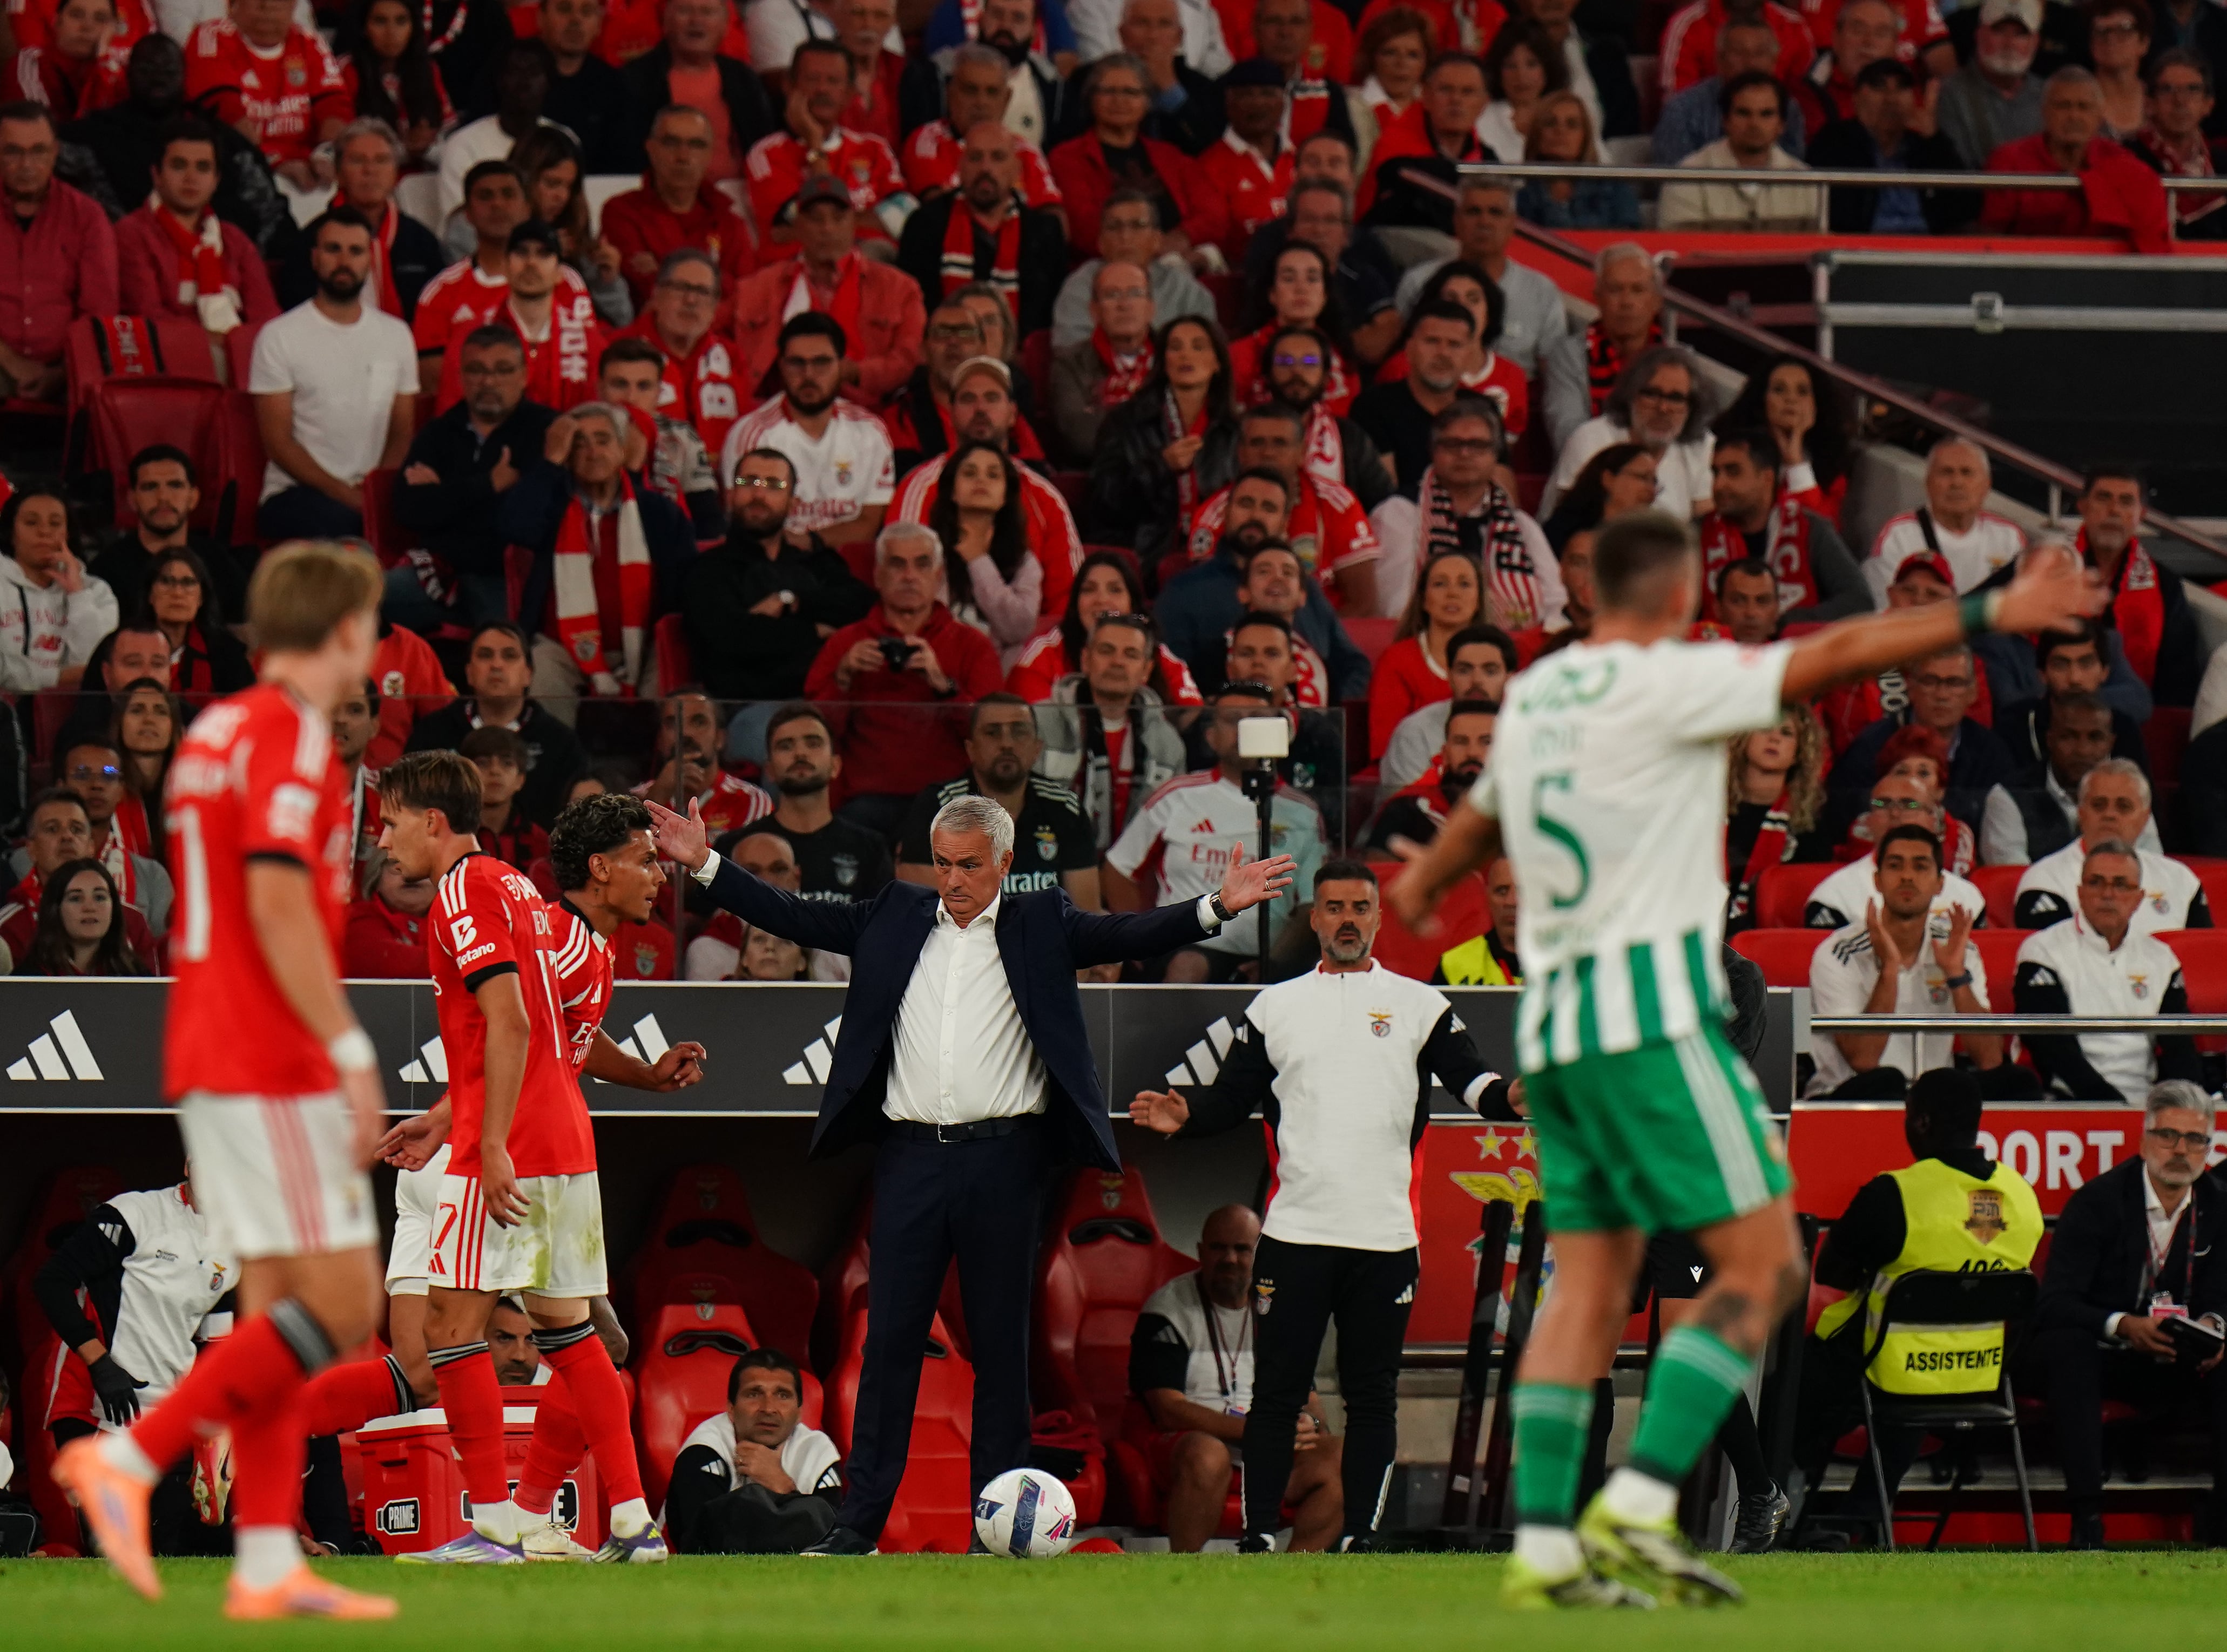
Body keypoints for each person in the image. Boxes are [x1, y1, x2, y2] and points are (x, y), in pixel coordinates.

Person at [1384, 507, 2097, 1608]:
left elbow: (1493, 809)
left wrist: (1429, 882)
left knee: (1588, 1284)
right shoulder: (1669, 680)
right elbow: (1841, 651)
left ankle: (1547, 1541)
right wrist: (1995, 607)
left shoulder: (1546, 694)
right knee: (1765, 1268)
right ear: (1671, 597)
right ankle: (1634, 1514)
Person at [646, 788, 1294, 1557]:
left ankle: (1001, 1525)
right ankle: (858, 1527)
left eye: (970, 867)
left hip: (1004, 1160)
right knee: (887, 1345)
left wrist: (1219, 904)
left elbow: (1134, 926)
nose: (953, 881)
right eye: (944, 865)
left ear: (1006, 864)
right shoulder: (893, 914)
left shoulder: (1042, 923)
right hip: (911, 1158)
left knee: (999, 1349)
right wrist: (706, 863)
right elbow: (797, 916)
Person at [54, 543, 395, 1619]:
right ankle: (138, 1457)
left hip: (210, 1041)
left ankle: (260, 1558)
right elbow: (277, 901)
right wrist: (347, 1054)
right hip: (266, 1053)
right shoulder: (292, 736)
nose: (374, 647)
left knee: (273, 1308)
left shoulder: (215, 734)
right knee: (343, 1304)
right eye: (370, 626)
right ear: (340, 631)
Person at [369, 773, 701, 1564]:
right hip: (556, 1144)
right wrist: (449, 1119)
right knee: (576, 1335)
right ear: (600, 869)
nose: (660, 875)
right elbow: (530, 1043)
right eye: (646, 860)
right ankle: (628, 1521)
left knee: (449, 1330)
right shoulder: (553, 925)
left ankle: (497, 1525)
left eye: (390, 822)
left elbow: (513, 1030)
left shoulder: (515, 913)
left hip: (512, 1146)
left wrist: (479, 1139)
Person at [1131, 859, 1509, 1548]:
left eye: (1358, 909)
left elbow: (1473, 1081)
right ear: (1313, 919)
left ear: (1376, 918)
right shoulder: (1274, 1006)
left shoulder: (1421, 1005)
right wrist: (1182, 1115)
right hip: (1295, 1237)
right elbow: (1230, 1099)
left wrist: (1510, 1098)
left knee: (1370, 1397)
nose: (1345, 920)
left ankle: (1359, 1538)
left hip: (1386, 1241)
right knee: (1278, 1393)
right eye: (1331, 908)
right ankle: (1256, 1538)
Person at [1791, 1070, 2043, 1537]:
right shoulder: (2021, 1196)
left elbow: (1829, 1273)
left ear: (1921, 1123)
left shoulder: (1896, 1193)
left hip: (1884, 1366)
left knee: (1788, 1391)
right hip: (1977, 1374)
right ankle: (1862, 1515)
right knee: (1904, 1389)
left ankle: (1775, 1510)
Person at [2034, 1080, 2227, 1551]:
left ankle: (2222, 1524)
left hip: (2182, 1357)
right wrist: (2123, 1324)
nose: (2181, 1151)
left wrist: (2214, 1328)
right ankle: (2088, 1519)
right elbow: (2056, 1301)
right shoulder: (2097, 1202)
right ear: (2144, 1140)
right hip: (2107, 1354)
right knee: (2067, 1346)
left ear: (2209, 1147)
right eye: (2168, 1136)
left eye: (2195, 1140)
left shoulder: (2221, 1204)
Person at [33, 1170, 234, 1554]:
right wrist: (101, 1364)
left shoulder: (236, 1248)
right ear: (192, 1164)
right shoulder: (134, 1214)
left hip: (171, 1416)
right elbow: (52, 1281)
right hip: (98, 1404)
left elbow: (214, 1341)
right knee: (110, 1550)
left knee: (166, 1548)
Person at [1126, 1203, 1342, 1552]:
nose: (1230, 1259)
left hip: (1264, 1443)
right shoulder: (1168, 1309)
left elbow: (1309, 1398)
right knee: (1208, 1454)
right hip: (1193, 1442)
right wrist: (1259, 1432)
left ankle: (1294, 1579)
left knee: (1343, 1456)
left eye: (1242, 1249)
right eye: (1218, 1248)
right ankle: (1184, 1577)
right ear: (1201, 1252)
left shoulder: (1280, 1311)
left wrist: (1311, 1423)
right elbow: (1167, 1408)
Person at [1104, 682, 1325, 980]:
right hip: (1185, 948)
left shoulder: (1304, 813)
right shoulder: (1177, 795)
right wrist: (1142, 942)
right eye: (1234, 720)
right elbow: (1119, 869)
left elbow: (1311, 904)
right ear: (1211, 736)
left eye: (1258, 720)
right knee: (1189, 966)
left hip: (1270, 958)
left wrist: (1277, 964)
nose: (1246, 730)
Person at [801, 523, 1006, 833]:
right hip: (866, 801)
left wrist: (945, 687)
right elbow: (814, 734)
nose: (910, 576)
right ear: (878, 576)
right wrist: (842, 679)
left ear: (938, 577)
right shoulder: (846, 643)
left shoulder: (972, 644)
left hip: (951, 800)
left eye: (922, 565)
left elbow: (992, 736)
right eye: (898, 564)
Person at [493, 400, 696, 713]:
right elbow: (514, 527)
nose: (592, 452)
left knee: (671, 670)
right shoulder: (551, 505)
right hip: (561, 645)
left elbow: (685, 588)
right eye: (579, 444)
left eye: (603, 441)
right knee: (542, 671)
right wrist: (550, 463)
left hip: (644, 644)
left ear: (621, 450)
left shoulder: (659, 513)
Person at [251, 207, 419, 542]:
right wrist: (349, 496)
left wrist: (373, 493)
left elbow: (402, 432)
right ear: (315, 258)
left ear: (370, 261)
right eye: (333, 249)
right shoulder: (279, 336)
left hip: (369, 493)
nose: (344, 261)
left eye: (355, 251)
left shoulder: (397, 335)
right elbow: (280, 444)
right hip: (297, 494)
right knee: (343, 532)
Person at [1803, 824, 2003, 1097]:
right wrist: (1889, 970)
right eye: (1895, 866)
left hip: (1931, 1106)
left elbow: (1990, 1060)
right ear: (1878, 880)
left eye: (1920, 867)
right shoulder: (1840, 953)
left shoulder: (1959, 949)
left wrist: (1956, 975)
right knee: (1887, 1082)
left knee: (2016, 1082)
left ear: (1940, 884)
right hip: (1849, 1102)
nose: (1907, 876)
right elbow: (1863, 1060)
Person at [388, 326, 554, 635]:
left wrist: (443, 497)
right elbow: (408, 510)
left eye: (503, 371)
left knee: (504, 642)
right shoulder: (439, 432)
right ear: (461, 376)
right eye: (477, 370)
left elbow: (524, 522)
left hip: (505, 577)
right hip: (440, 570)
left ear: (523, 376)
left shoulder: (544, 431)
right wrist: (488, 485)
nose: (489, 382)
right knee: (364, 602)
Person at [681, 446, 874, 712]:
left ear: (793, 503)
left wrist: (794, 602)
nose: (759, 494)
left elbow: (863, 606)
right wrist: (815, 631)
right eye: (748, 482)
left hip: (833, 699)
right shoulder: (709, 570)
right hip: (752, 708)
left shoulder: (816, 561)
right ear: (731, 495)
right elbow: (733, 639)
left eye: (774, 485)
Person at [2014, 839, 2201, 1101]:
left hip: (2148, 1104)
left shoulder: (2161, 958)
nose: (2108, 894)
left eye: (2121, 884)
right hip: (2069, 1102)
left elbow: (2180, 1050)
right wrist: (2114, 1108)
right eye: (2096, 882)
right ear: (2079, 892)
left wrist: (2185, 1106)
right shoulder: (2042, 950)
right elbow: (2054, 1050)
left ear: (2138, 899)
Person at [728, 177, 924, 409]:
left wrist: (852, 372)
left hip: (871, 413)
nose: (827, 228)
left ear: (853, 222)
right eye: (815, 219)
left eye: (838, 218)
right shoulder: (756, 288)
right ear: (798, 226)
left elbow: (907, 359)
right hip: (778, 413)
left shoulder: (901, 289)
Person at [1372, 402, 1564, 636]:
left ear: (1496, 455)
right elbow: (1394, 605)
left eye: (1477, 445)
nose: (1464, 454)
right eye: (1453, 444)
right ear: (1433, 452)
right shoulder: (1399, 514)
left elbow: (1557, 604)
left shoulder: (1521, 524)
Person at [897, 693, 1100, 903]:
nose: (1006, 744)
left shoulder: (1065, 807)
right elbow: (921, 910)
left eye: (1019, 732)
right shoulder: (939, 807)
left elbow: (1084, 914)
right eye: (992, 733)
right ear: (971, 749)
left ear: (1037, 749)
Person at [1183, 402, 1381, 614]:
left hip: (1319, 634)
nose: (1268, 453)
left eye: (1280, 443)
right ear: (1240, 452)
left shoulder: (1338, 504)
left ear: (1302, 452)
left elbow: (1363, 603)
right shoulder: (1214, 513)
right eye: (1257, 443)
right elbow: (1207, 599)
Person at [719, 315, 895, 549]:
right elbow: (748, 521)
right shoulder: (752, 434)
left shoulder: (871, 432)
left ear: (842, 366)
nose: (809, 375)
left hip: (844, 570)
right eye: (797, 363)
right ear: (781, 366)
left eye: (821, 363)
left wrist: (808, 542)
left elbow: (869, 524)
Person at [898, 119, 1075, 344]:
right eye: (976, 158)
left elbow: (1047, 321)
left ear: (1017, 170)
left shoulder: (1045, 231)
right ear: (960, 166)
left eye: (998, 158)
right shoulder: (925, 224)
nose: (986, 168)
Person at [1082, 313, 1239, 561]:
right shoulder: (1124, 422)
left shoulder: (1237, 431)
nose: (1186, 356)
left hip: (1218, 558)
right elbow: (1105, 499)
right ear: (1163, 361)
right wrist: (1160, 466)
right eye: (1175, 348)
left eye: (1198, 347)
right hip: (1145, 557)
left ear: (1217, 362)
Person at [112, 115, 276, 349]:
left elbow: (267, 316)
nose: (191, 178)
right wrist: (218, 344)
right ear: (156, 175)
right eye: (179, 166)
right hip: (172, 362)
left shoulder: (235, 240)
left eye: (203, 167)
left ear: (216, 180)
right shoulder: (131, 234)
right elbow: (148, 317)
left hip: (242, 357)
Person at [1032, 611, 1189, 853]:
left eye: (1131, 654)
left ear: (1146, 670)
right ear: (1085, 660)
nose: (1118, 662)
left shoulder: (1168, 743)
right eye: (1107, 651)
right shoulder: (1038, 724)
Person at [664, 1349, 846, 1554]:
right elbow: (698, 1540)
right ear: (731, 1408)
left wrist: (781, 1485)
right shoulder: (705, 1447)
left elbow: (835, 1538)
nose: (768, 1408)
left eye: (782, 1395)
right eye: (754, 1394)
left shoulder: (816, 1450)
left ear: (799, 1413)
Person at [405, 622, 587, 827]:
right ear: (469, 673)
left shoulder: (559, 742)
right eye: (485, 655)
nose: (497, 665)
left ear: (528, 674)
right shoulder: (433, 734)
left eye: (509, 656)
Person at [1051, 56, 1229, 261]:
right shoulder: (1068, 157)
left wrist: (1181, 238)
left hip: (1178, 260)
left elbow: (1214, 215)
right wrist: (1151, 250)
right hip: (1107, 268)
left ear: (1147, 102)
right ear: (1091, 98)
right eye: (1108, 91)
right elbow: (1083, 228)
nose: (1119, 100)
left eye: (1131, 92)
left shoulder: (1171, 156)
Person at [744, 40, 909, 258]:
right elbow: (823, 225)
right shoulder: (767, 154)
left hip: (879, 269)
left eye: (834, 81)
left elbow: (907, 218)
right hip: (799, 272)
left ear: (850, 93)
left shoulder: (874, 148)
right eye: (813, 79)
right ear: (789, 86)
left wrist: (801, 230)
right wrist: (814, 142)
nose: (823, 89)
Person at [1394, 176, 1569, 378]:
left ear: (1513, 223)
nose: (1484, 222)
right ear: (1456, 220)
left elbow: (1556, 376)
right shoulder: (1419, 282)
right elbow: (1402, 360)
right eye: (1473, 212)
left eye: (1496, 213)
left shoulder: (1542, 292)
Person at [723, 702, 895, 908]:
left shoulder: (870, 849)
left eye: (813, 743)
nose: (800, 753)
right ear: (769, 770)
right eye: (786, 746)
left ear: (835, 765)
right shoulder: (735, 847)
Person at [0, 101, 116, 403]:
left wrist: (61, 374)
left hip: (69, 369)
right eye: (14, 152)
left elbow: (99, 313)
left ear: (55, 152)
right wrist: (10, 361)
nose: (27, 165)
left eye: (38, 151)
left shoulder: (87, 217)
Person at [430, 218, 607, 415]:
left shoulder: (587, 340)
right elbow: (452, 415)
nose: (531, 263)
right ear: (505, 265)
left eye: (544, 254)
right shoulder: (471, 336)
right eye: (521, 252)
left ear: (560, 272)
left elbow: (599, 416)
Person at [1981, 67, 2170, 250]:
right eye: (2063, 106)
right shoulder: (2009, 161)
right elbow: (1990, 242)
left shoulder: (2125, 165)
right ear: (2044, 112)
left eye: (2084, 107)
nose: (2074, 116)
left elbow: (2152, 245)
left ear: (2099, 116)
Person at [1696, 430, 1871, 627]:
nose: (1719, 484)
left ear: (1767, 478)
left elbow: (1859, 601)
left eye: (1733, 472)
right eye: (1715, 473)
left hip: (1795, 651)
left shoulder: (1811, 529)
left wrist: (1784, 623)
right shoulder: (1696, 534)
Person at [1828, 643, 2015, 827]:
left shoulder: (1991, 752)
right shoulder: (1873, 745)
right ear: (1910, 688)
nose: (1942, 695)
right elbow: (1843, 813)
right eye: (1930, 681)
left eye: (1954, 683)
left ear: (1973, 693)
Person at [275, 118, 443, 321]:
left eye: (381, 160)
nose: (370, 171)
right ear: (338, 173)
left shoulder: (422, 242)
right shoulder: (309, 243)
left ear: (396, 172)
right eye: (357, 160)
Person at [2011, 759, 2206, 930]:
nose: (2110, 815)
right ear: (2081, 814)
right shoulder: (2046, 880)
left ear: (2145, 818)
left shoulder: (2181, 880)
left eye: (2123, 807)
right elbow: (2056, 956)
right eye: (2099, 805)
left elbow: (2201, 958)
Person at [183, 0, 349, 200]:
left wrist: (326, 154)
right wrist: (273, 162)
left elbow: (334, 106)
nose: (268, 5)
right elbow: (226, 112)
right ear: (232, 5)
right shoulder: (212, 36)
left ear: (294, 6)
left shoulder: (309, 41)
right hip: (238, 170)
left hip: (308, 172)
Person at [2071, 465, 2207, 706]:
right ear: (2083, 506)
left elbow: (2179, 676)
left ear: (2141, 514)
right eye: (2104, 498)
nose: (2114, 511)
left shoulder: (2165, 585)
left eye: (2126, 502)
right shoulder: (2045, 565)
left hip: (2135, 717)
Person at [604, 107, 758, 316]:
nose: (683, 156)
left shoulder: (730, 223)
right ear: (651, 149)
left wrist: (662, 269)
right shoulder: (621, 213)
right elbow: (645, 292)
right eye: (671, 143)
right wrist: (716, 282)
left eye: (696, 145)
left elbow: (747, 297)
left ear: (710, 155)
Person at [1544, 347, 1717, 524]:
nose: (1663, 408)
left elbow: (1707, 524)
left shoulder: (1701, 446)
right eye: (1652, 394)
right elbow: (1569, 521)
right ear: (1631, 396)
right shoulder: (1591, 438)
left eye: (1675, 398)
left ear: (1691, 407)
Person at [606, 250, 745, 465]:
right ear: (657, 293)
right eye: (681, 288)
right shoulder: (616, 349)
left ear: (716, 304)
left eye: (702, 292)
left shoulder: (732, 357)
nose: (691, 300)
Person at [619, 0, 777, 185]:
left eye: (708, 12)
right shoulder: (635, 78)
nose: (696, 21)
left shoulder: (743, 79)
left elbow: (764, 146)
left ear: (725, 25)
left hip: (736, 194)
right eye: (685, 10)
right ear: (666, 21)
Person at [1806, 57, 1972, 233]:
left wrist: (1934, 140)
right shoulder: (1835, 141)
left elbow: (1964, 209)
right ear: (1856, 98)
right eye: (1879, 87)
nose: (1891, 99)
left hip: (1926, 250)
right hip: (1860, 251)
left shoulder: (1927, 145)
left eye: (1902, 87)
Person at [1982, 689, 2143, 869]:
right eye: (2069, 737)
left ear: (2111, 743)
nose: (2083, 750)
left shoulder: (2133, 791)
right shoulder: (2009, 796)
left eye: (2095, 738)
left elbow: (2151, 867)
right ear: (2050, 740)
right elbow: (2013, 878)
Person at [1050, 186, 1216, 350]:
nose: (1125, 236)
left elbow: (1205, 353)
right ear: (1100, 243)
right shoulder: (1080, 288)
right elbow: (1071, 357)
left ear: (1157, 240)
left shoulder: (1185, 290)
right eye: (1114, 227)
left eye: (1137, 226)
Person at [1863, 438, 2026, 601]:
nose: (1957, 483)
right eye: (1947, 472)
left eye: (1967, 472)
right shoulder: (1899, 534)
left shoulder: (2009, 537)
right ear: (1928, 483)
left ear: (1987, 485)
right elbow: (1882, 604)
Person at [1538, 242, 1662, 453]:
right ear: (1598, 298)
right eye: (1615, 290)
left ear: (1656, 301)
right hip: (1589, 475)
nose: (1627, 302)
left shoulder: (1676, 360)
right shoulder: (1567, 356)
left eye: (1638, 290)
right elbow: (1568, 437)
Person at [1658, 71, 1822, 231]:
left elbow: (1815, 251)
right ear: (1726, 121)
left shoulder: (1806, 182)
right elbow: (1680, 251)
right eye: (1743, 113)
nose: (1754, 124)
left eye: (1766, 114)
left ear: (1781, 125)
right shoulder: (1686, 177)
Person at [0, 485, 119, 693]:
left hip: (74, 712)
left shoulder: (98, 592)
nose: (45, 531)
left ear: (69, 534)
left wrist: (77, 593)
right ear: (11, 533)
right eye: (31, 522)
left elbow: (94, 667)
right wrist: (60, 677)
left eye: (55, 524)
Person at [1723, 706, 1830, 931]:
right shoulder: (1710, 809)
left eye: (1786, 733)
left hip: (1767, 938)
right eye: (1765, 728)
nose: (1774, 738)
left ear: (1799, 753)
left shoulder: (1810, 824)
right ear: (1743, 738)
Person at [1367, 546, 1480, 757]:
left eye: (1464, 584)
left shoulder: (1499, 659)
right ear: (1424, 599)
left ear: (1479, 599)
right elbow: (1388, 750)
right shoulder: (1397, 661)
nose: (1453, 593)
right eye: (1440, 584)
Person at [1359, 49, 1488, 233]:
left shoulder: (1486, 155)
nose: (1456, 100)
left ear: (1484, 104)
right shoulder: (1396, 147)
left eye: (1468, 92)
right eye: (1446, 90)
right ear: (1426, 96)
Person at [1652, 14, 1808, 163]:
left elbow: (1793, 174)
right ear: (1719, 59)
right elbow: (1674, 179)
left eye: (1760, 53)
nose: (1751, 63)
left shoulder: (1789, 108)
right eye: (1740, 53)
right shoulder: (1683, 111)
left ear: (1775, 62)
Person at [1379, 623, 1514, 794]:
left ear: (1510, 679)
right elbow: (1407, 812)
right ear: (1449, 677)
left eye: (1490, 671)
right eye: (1464, 670)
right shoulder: (1415, 734)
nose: (1477, 681)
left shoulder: (1529, 730)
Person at [1995, 622, 2149, 770]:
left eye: (2086, 664)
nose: (2075, 678)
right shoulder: (2014, 727)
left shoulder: (2123, 728)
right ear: (2042, 674)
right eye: (2061, 665)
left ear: (2105, 672)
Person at [1050, 259, 1155, 461]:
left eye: (1135, 293)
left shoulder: (1171, 358)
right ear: (1094, 311)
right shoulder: (1069, 364)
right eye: (1112, 295)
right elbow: (1081, 437)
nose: (1124, 305)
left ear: (1151, 308)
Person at [1363, 697, 1496, 851]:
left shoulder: (1524, 808)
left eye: (1487, 742)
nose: (1473, 753)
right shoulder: (1408, 807)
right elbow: (1377, 867)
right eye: (1461, 742)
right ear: (1444, 754)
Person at [2128, 49, 2227, 239]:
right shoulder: (2128, 159)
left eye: (2192, 89)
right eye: (2168, 89)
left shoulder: (2223, 164)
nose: (2180, 101)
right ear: (2150, 104)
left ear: (2209, 104)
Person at [1938, 0, 2047, 170]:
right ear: (1979, 34)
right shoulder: (1949, 93)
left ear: (2035, 41)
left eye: (2020, 34)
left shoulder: (2049, 96)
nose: (2009, 43)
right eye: (1999, 31)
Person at [1513, 90, 1641, 231]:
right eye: (1550, 123)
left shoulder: (1616, 190)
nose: (1560, 130)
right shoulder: (1519, 197)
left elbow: (1630, 241)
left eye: (1572, 124)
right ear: (1537, 134)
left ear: (1585, 137)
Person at [343, 0, 450, 168]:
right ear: (364, 28)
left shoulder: (429, 68)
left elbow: (448, 131)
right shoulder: (345, 72)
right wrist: (405, 150)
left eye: (401, 21)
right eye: (380, 21)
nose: (391, 32)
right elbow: (344, 146)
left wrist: (427, 144)